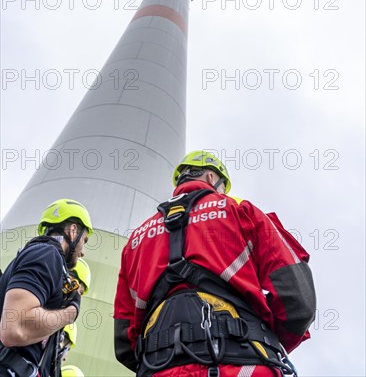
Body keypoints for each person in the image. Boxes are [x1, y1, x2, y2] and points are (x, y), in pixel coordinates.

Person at [114, 150, 316, 376]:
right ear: (212, 178)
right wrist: (262, 340)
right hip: (242, 366)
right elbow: (298, 301)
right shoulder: (241, 211)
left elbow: (123, 340)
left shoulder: (136, 240)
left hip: (160, 368)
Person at [0, 198, 93, 377]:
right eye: (85, 240)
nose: (83, 252)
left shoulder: (44, 256)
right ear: (73, 231)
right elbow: (14, 328)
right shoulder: (46, 254)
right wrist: (69, 313)